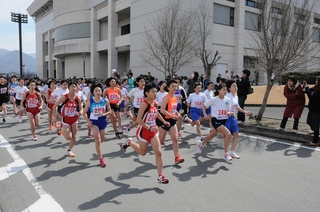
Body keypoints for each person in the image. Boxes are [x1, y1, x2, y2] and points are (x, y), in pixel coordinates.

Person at [122, 82, 170, 184]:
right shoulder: (144, 104)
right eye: (153, 92)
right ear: (147, 93)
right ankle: (130, 143)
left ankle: (160, 176)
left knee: (158, 152)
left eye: (156, 92)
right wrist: (149, 128)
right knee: (143, 153)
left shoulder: (155, 103)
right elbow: (138, 120)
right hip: (143, 131)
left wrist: (164, 121)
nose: (155, 93)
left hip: (153, 131)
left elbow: (156, 113)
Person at [197, 83, 233, 163]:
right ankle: (226, 153)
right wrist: (205, 114)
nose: (225, 91)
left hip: (223, 120)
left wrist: (229, 113)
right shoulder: (214, 99)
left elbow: (228, 111)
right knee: (228, 134)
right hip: (215, 120)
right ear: (219, 90)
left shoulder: (228, 100)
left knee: (211, 135)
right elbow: (204, 106)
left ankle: (202, 143)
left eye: (226, 90)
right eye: (223, 90)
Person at [83, 82, 111, 167]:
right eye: (96, 91)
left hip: (102, 121)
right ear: (93, 92)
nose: (98, 92)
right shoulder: (90, 102)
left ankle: (98, 148)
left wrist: (104, 114)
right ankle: (101, 159)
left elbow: (110, 111)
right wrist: (88, 121)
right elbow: (84, 113)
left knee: (101, 140)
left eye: (100, 90)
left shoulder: (105, 101)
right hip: (94, 122)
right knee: (97, 139)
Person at [52, 81, 83, 157]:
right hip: (66, 119)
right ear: (69, 88)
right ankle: (61, 129)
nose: (73, 88)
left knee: (74, 136)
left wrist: (80, 112)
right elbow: (55, 106)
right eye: (71, 87)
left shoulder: (78, 99)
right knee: (68, 137)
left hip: (74, 119)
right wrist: (54, 117)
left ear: (76, 88)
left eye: (74, 87)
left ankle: (69, 151)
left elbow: (81, 108)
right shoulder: (64, 97)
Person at [159, 80, 184, 164]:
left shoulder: (174, 98)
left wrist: (178, 114)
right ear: (168, 88)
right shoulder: (166, 97)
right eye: (172, 86)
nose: (174, 88)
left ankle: (177, 157)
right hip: (164, 121)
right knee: (160, 141)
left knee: (175, 139)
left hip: (172, 121)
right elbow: (162, 110)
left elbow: (173, 110)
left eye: (175, 86)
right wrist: (171, 116)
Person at [225, 80, 251, 159]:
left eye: (236, 86)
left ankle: (232, 152)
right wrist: (227, 113)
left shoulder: (236, 97)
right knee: (226, 136)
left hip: (233, 118)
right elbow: (223, 108)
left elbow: (237, 107)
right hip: (226, 118)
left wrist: (245, 111)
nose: (236, 88)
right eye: (234, 86)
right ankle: (205, 140)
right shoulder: (227, 97)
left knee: (236, 135)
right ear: (229, 88)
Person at [304, 77, 320, 146]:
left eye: (317, 80)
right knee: (310, 121)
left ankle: (315, 141)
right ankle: (315, 131)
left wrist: (307, 89)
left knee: (316, 125)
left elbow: (312, 96)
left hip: (317, 110)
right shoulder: (315, 88)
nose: (315, 81)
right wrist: (305, 87)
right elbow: (309, 91)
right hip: (313, 109)